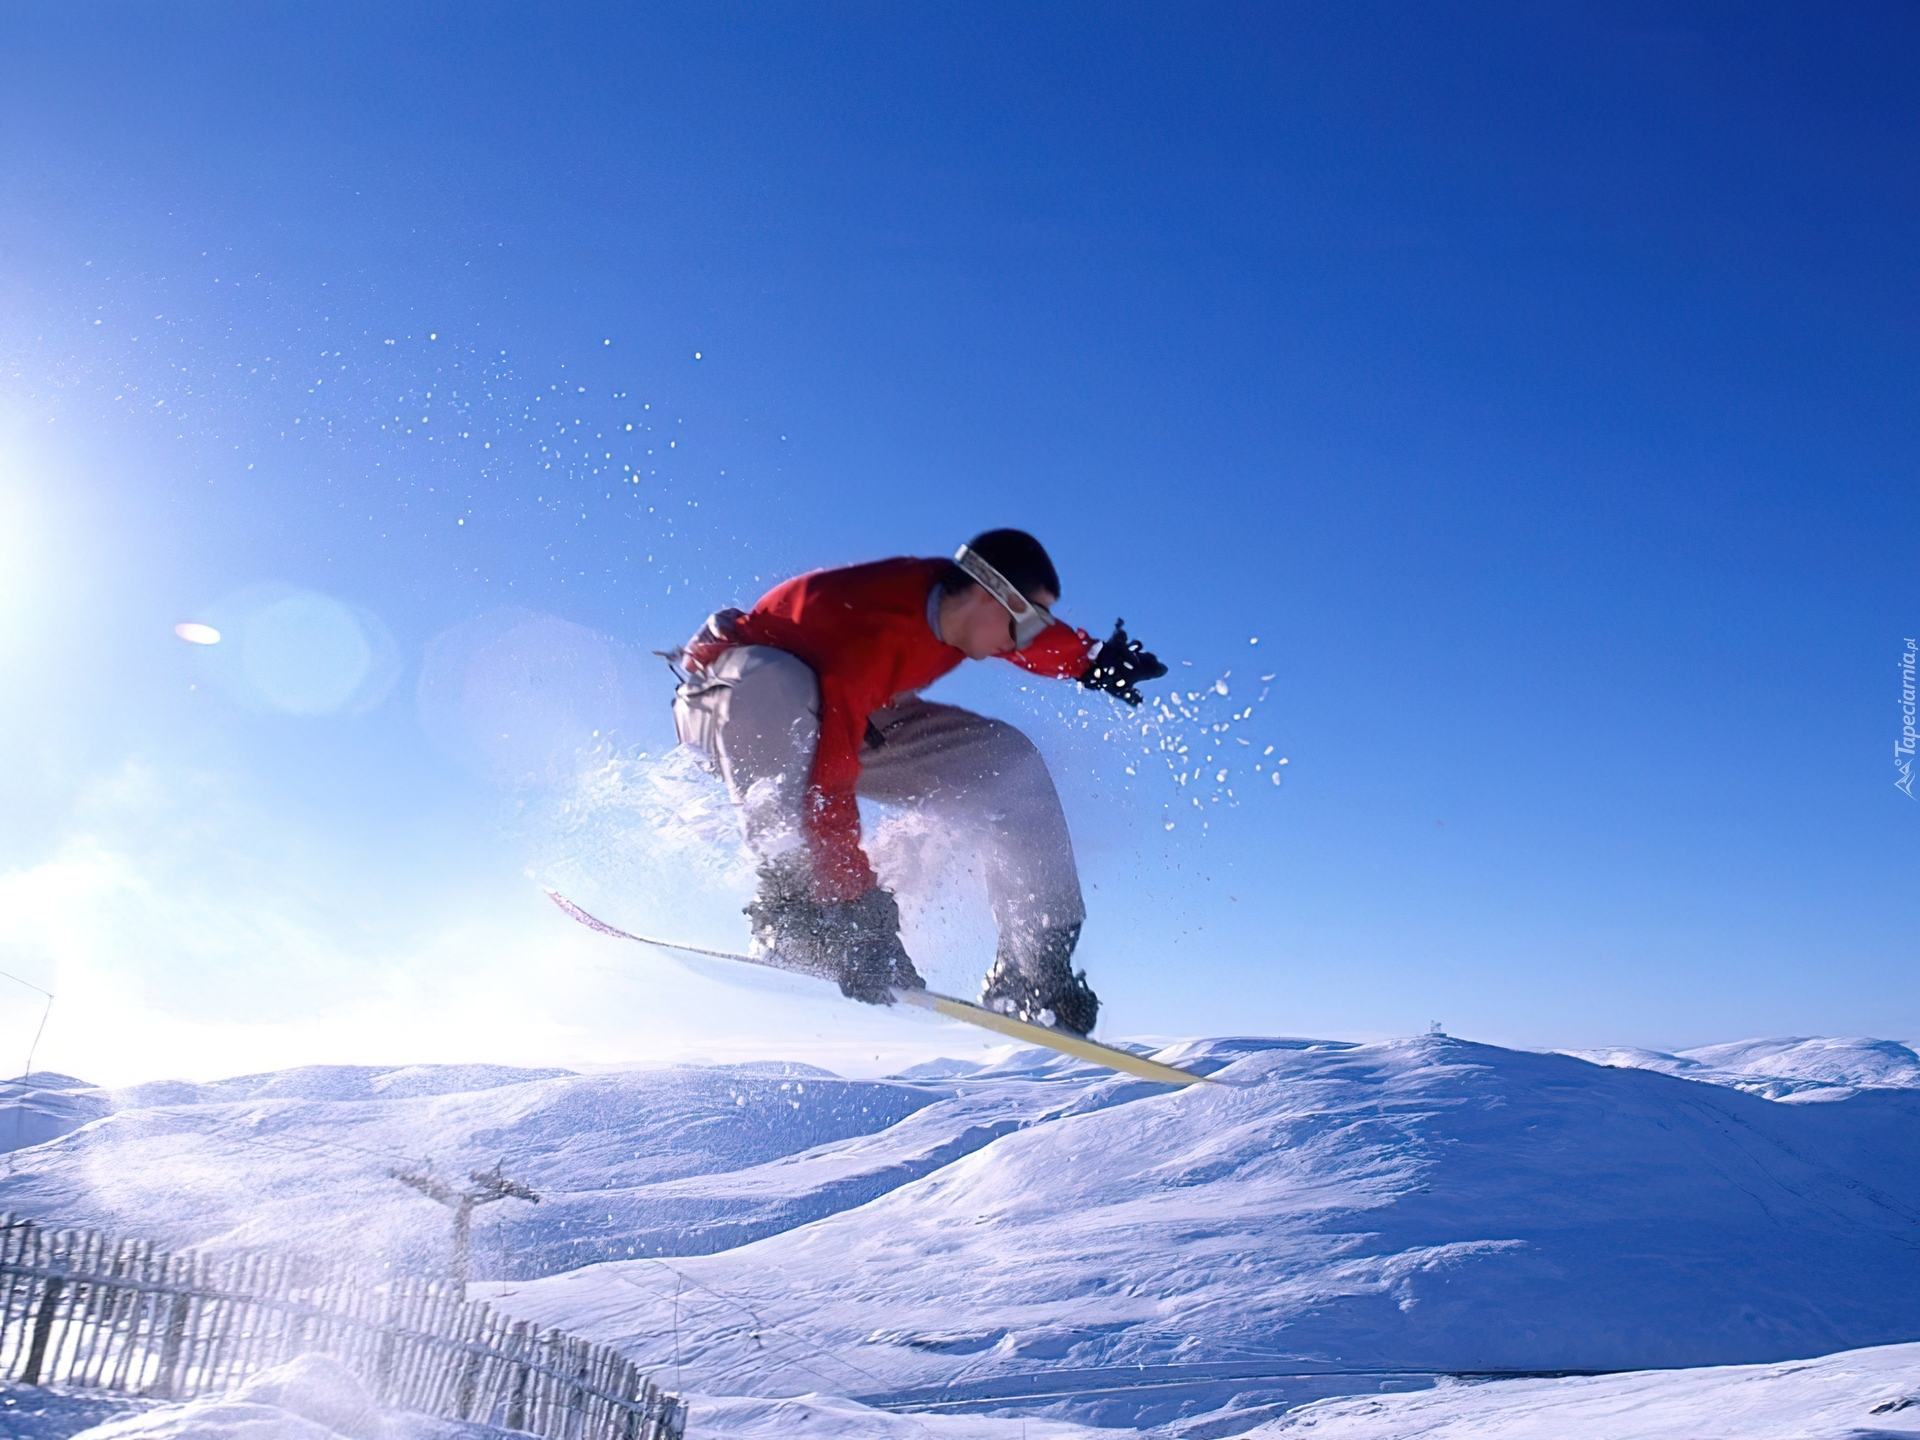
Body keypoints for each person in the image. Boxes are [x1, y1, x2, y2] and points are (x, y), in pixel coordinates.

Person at [670, 529, 1166, 1037]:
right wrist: (858, 917)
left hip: (848, 711)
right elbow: (829, 782)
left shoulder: (964, 617)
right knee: (779, 683)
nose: (1024, 639)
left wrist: (1090, 661)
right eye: (1026, 619)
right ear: (984, 592)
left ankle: (1034, 968)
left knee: (1006, 761)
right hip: (735, 697)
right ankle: (798, 912)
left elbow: (1033, 639)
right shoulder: (865, 625)